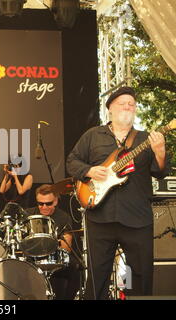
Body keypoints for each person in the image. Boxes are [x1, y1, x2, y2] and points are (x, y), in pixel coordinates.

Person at [66, 86, 170, 299]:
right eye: (122, 103)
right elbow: (71, 161)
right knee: (97, 278)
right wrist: (89, 171)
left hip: (137, 217)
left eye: (131, 104)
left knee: (140, 276)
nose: (127, 106)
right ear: (110, 109)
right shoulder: (93, 136)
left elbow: (159, 173)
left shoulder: (145, 139)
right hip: (100, 217)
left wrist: (160, 153)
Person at [25, 184, 80, 300]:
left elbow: (66, 247)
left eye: (48, 203)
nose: (44, 207)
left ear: (55, 201)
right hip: (31, 258)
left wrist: (49, 244)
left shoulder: (64, 217)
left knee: (74, 267)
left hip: (55, 258)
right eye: (40, 203)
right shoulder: (28, 215)